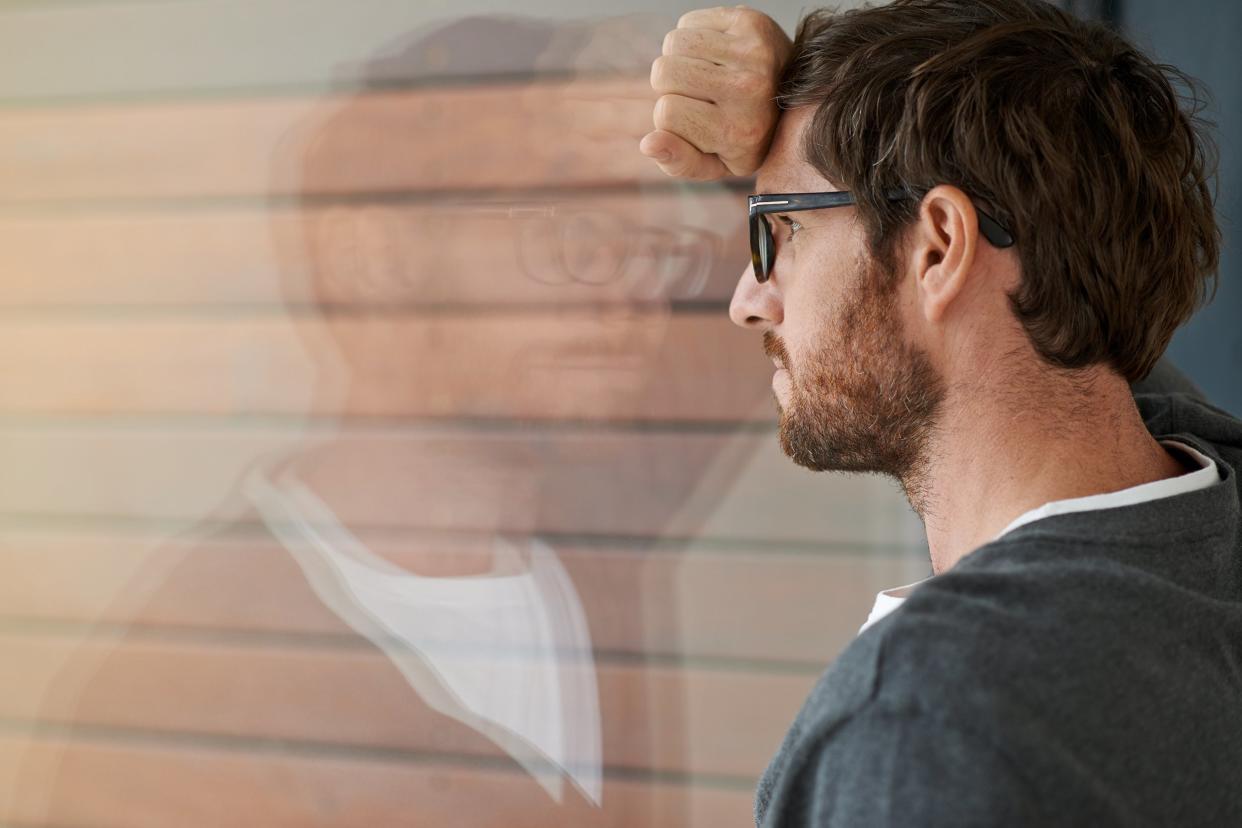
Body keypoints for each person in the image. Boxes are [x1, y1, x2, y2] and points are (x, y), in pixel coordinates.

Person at [641, 1, 1242, 825]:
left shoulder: (925, 718)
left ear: (938, 246)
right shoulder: (1208, 516)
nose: (751, 299)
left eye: (777, 230)